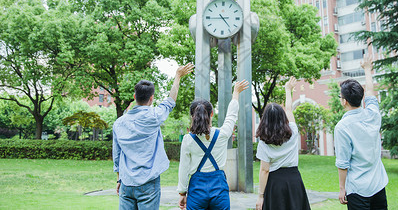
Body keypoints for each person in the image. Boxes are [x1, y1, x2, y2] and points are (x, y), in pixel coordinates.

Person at [113, 63, 194, 210]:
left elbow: (117, 155)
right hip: (148, 182)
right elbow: (171, 101)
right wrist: (177, 76)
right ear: (151, 98)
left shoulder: (118, 123)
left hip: (126, 182)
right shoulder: (154, 116)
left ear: (134, 97)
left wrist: (119, 178)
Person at [177, 79, 249, 210]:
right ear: (211, 113)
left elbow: (183, 168)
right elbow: (231, 115)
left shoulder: (188, 140)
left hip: (197, 191)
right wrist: (235, 94)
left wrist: (182, 192)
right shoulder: (222, 134)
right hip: (219, 188)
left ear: (192, 116)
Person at [334, 55, 388, 209]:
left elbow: (343, 163)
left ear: (344, 101)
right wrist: (367, 69)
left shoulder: (342, 127)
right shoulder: (373, 114)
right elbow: (370, 91)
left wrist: (341, 188)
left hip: (358, 189)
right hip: (378, 185)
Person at [255, 77, 311, 210]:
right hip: (294, 181)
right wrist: (288, 90)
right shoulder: (293, 132)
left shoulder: (263, 142)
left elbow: (264, 170)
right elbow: (289, 110)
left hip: (275, 184)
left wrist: (260, 196)